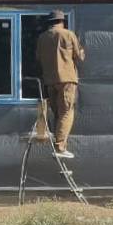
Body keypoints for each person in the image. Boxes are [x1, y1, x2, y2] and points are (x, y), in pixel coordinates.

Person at [35, 10, 85, 159]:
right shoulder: (68, 34)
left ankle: (59, 143)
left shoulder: (42, 38)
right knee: (67, 112)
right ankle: (60, 147)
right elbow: (79, 56)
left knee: (58, 113)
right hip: (67, 80)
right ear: (62, 21)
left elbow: (38, 57)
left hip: (50, 81)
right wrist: (82, 50)